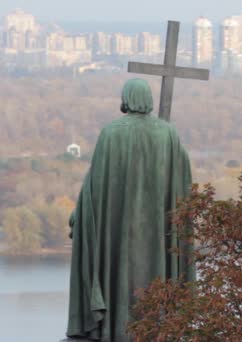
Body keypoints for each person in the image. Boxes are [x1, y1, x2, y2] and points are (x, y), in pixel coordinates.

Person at [66, 79, 195, 341]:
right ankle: (159, 328)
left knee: (117, 271)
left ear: (126, 98)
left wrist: (80, 213)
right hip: (158, 231)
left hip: (117, 230)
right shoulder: (168, 134)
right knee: (157, 272)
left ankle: (116, 329)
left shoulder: (111, 133)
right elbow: (182, 181)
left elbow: (95, 186)